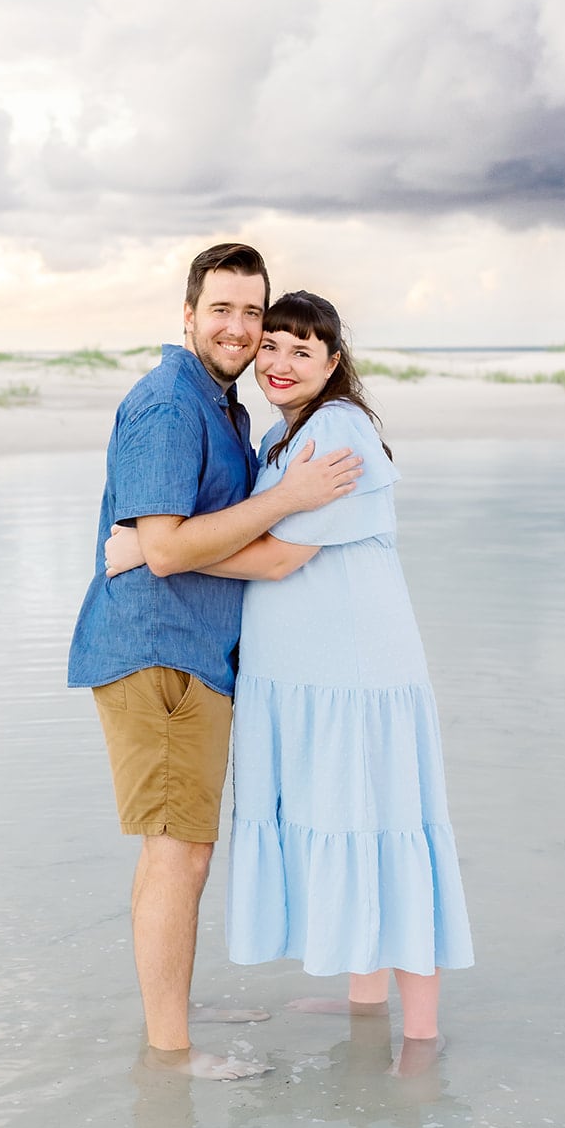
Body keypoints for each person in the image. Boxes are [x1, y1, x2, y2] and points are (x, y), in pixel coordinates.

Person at [106, 290, 473, 1060]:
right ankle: (365, 1003)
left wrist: (154, 549)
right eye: (269, 345)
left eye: (299, 351)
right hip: (315, 679)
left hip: (352, 679)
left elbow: (280, 557)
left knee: (384, 827)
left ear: (333, 364)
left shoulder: (334, 429)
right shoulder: (284, 435)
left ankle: (418, 1041)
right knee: (353, 821)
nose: (275, 360)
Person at [67, 248, 364, 1081]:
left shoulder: (217, 405)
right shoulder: (170, 406)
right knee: (179, 850)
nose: (240, 329)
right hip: (159, 652)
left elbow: (167, 542)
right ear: (188, 315)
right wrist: (287, 500)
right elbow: (162, 552)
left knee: (175, 848)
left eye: (252, 314)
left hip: (189, 654)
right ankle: (171, 1051)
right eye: (222, 309)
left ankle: (174, 1010)